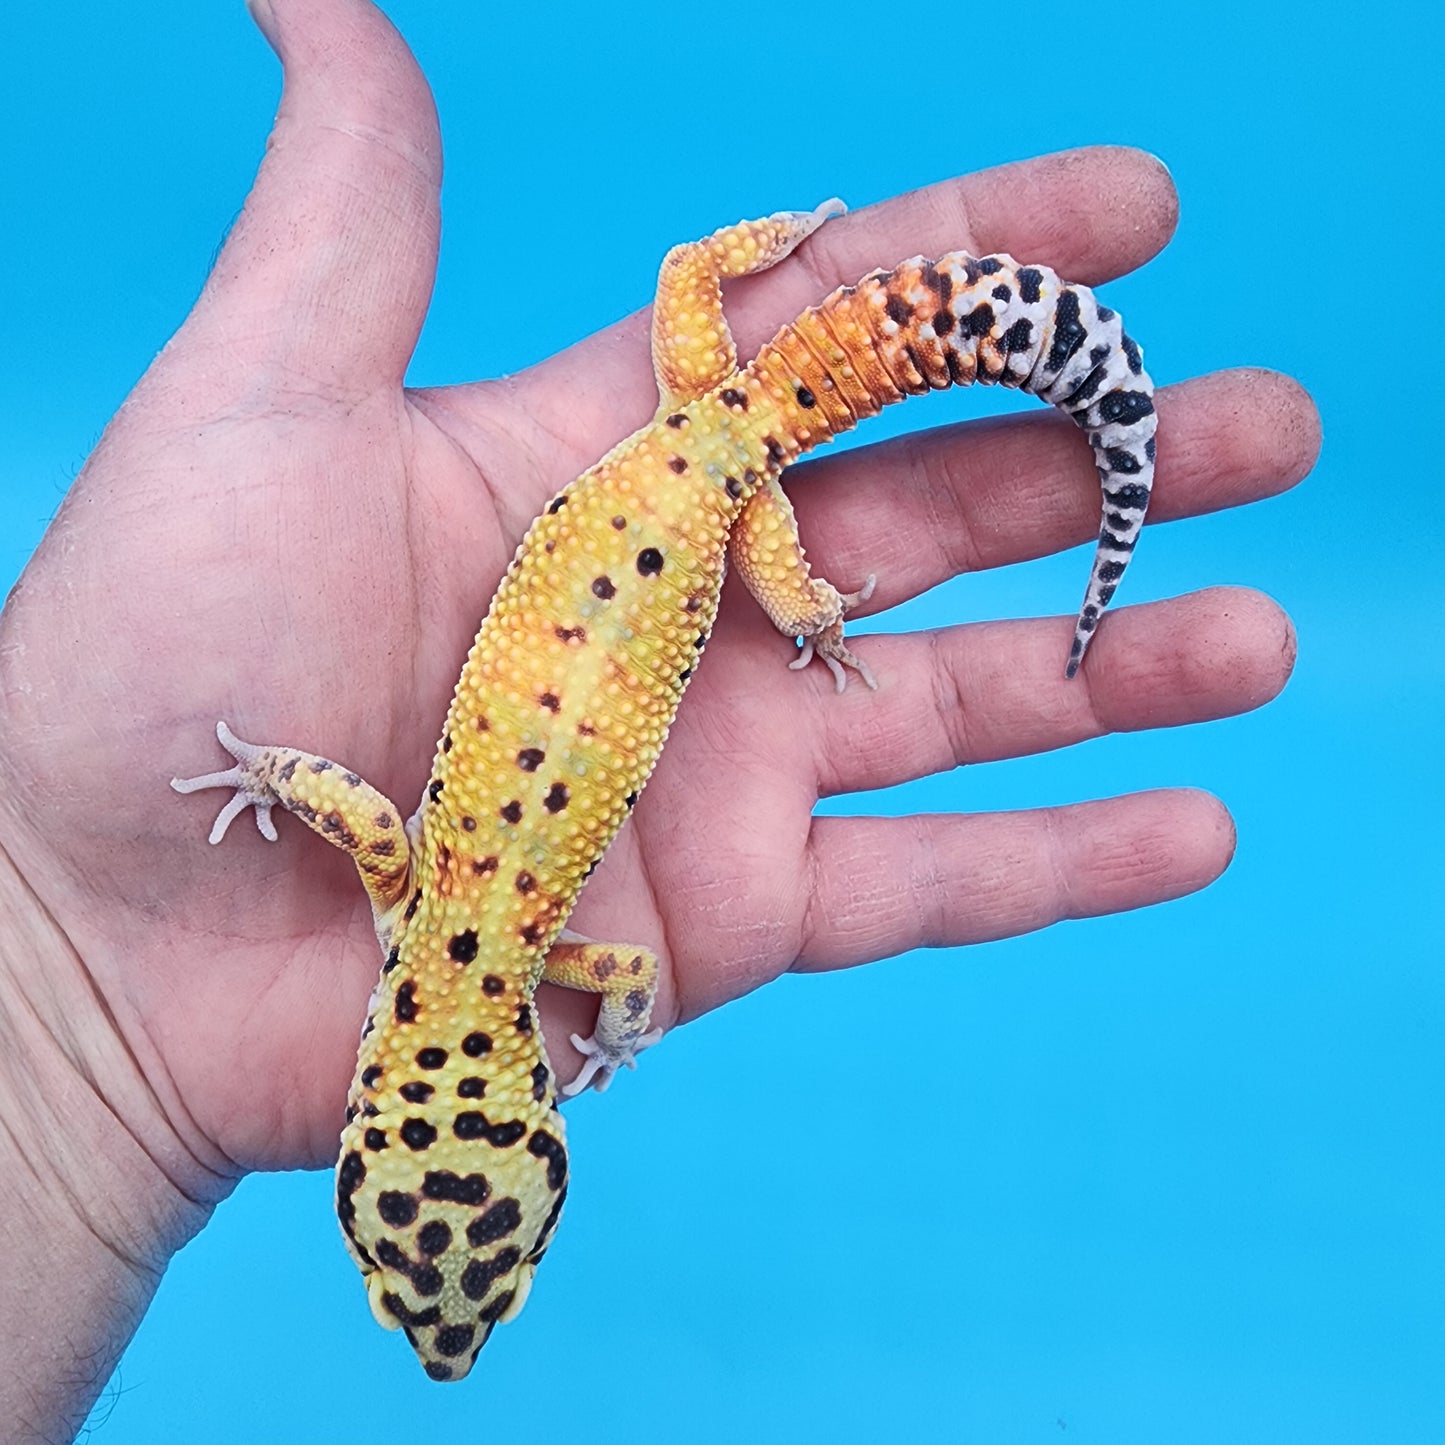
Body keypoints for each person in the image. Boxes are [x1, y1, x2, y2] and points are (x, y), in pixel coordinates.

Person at [0, 0, 1317, 1437]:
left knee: (701, 289)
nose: (443, 1332)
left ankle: (1046, 421)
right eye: (459, 1295)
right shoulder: (418, 906)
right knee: (687, 275)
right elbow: (362, 813)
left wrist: (616, 1005)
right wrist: (259, 781)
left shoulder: (533, 950)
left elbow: (599, 965)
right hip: (712, 471)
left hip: (723, 486)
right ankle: (993, 399)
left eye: (416, 1290)